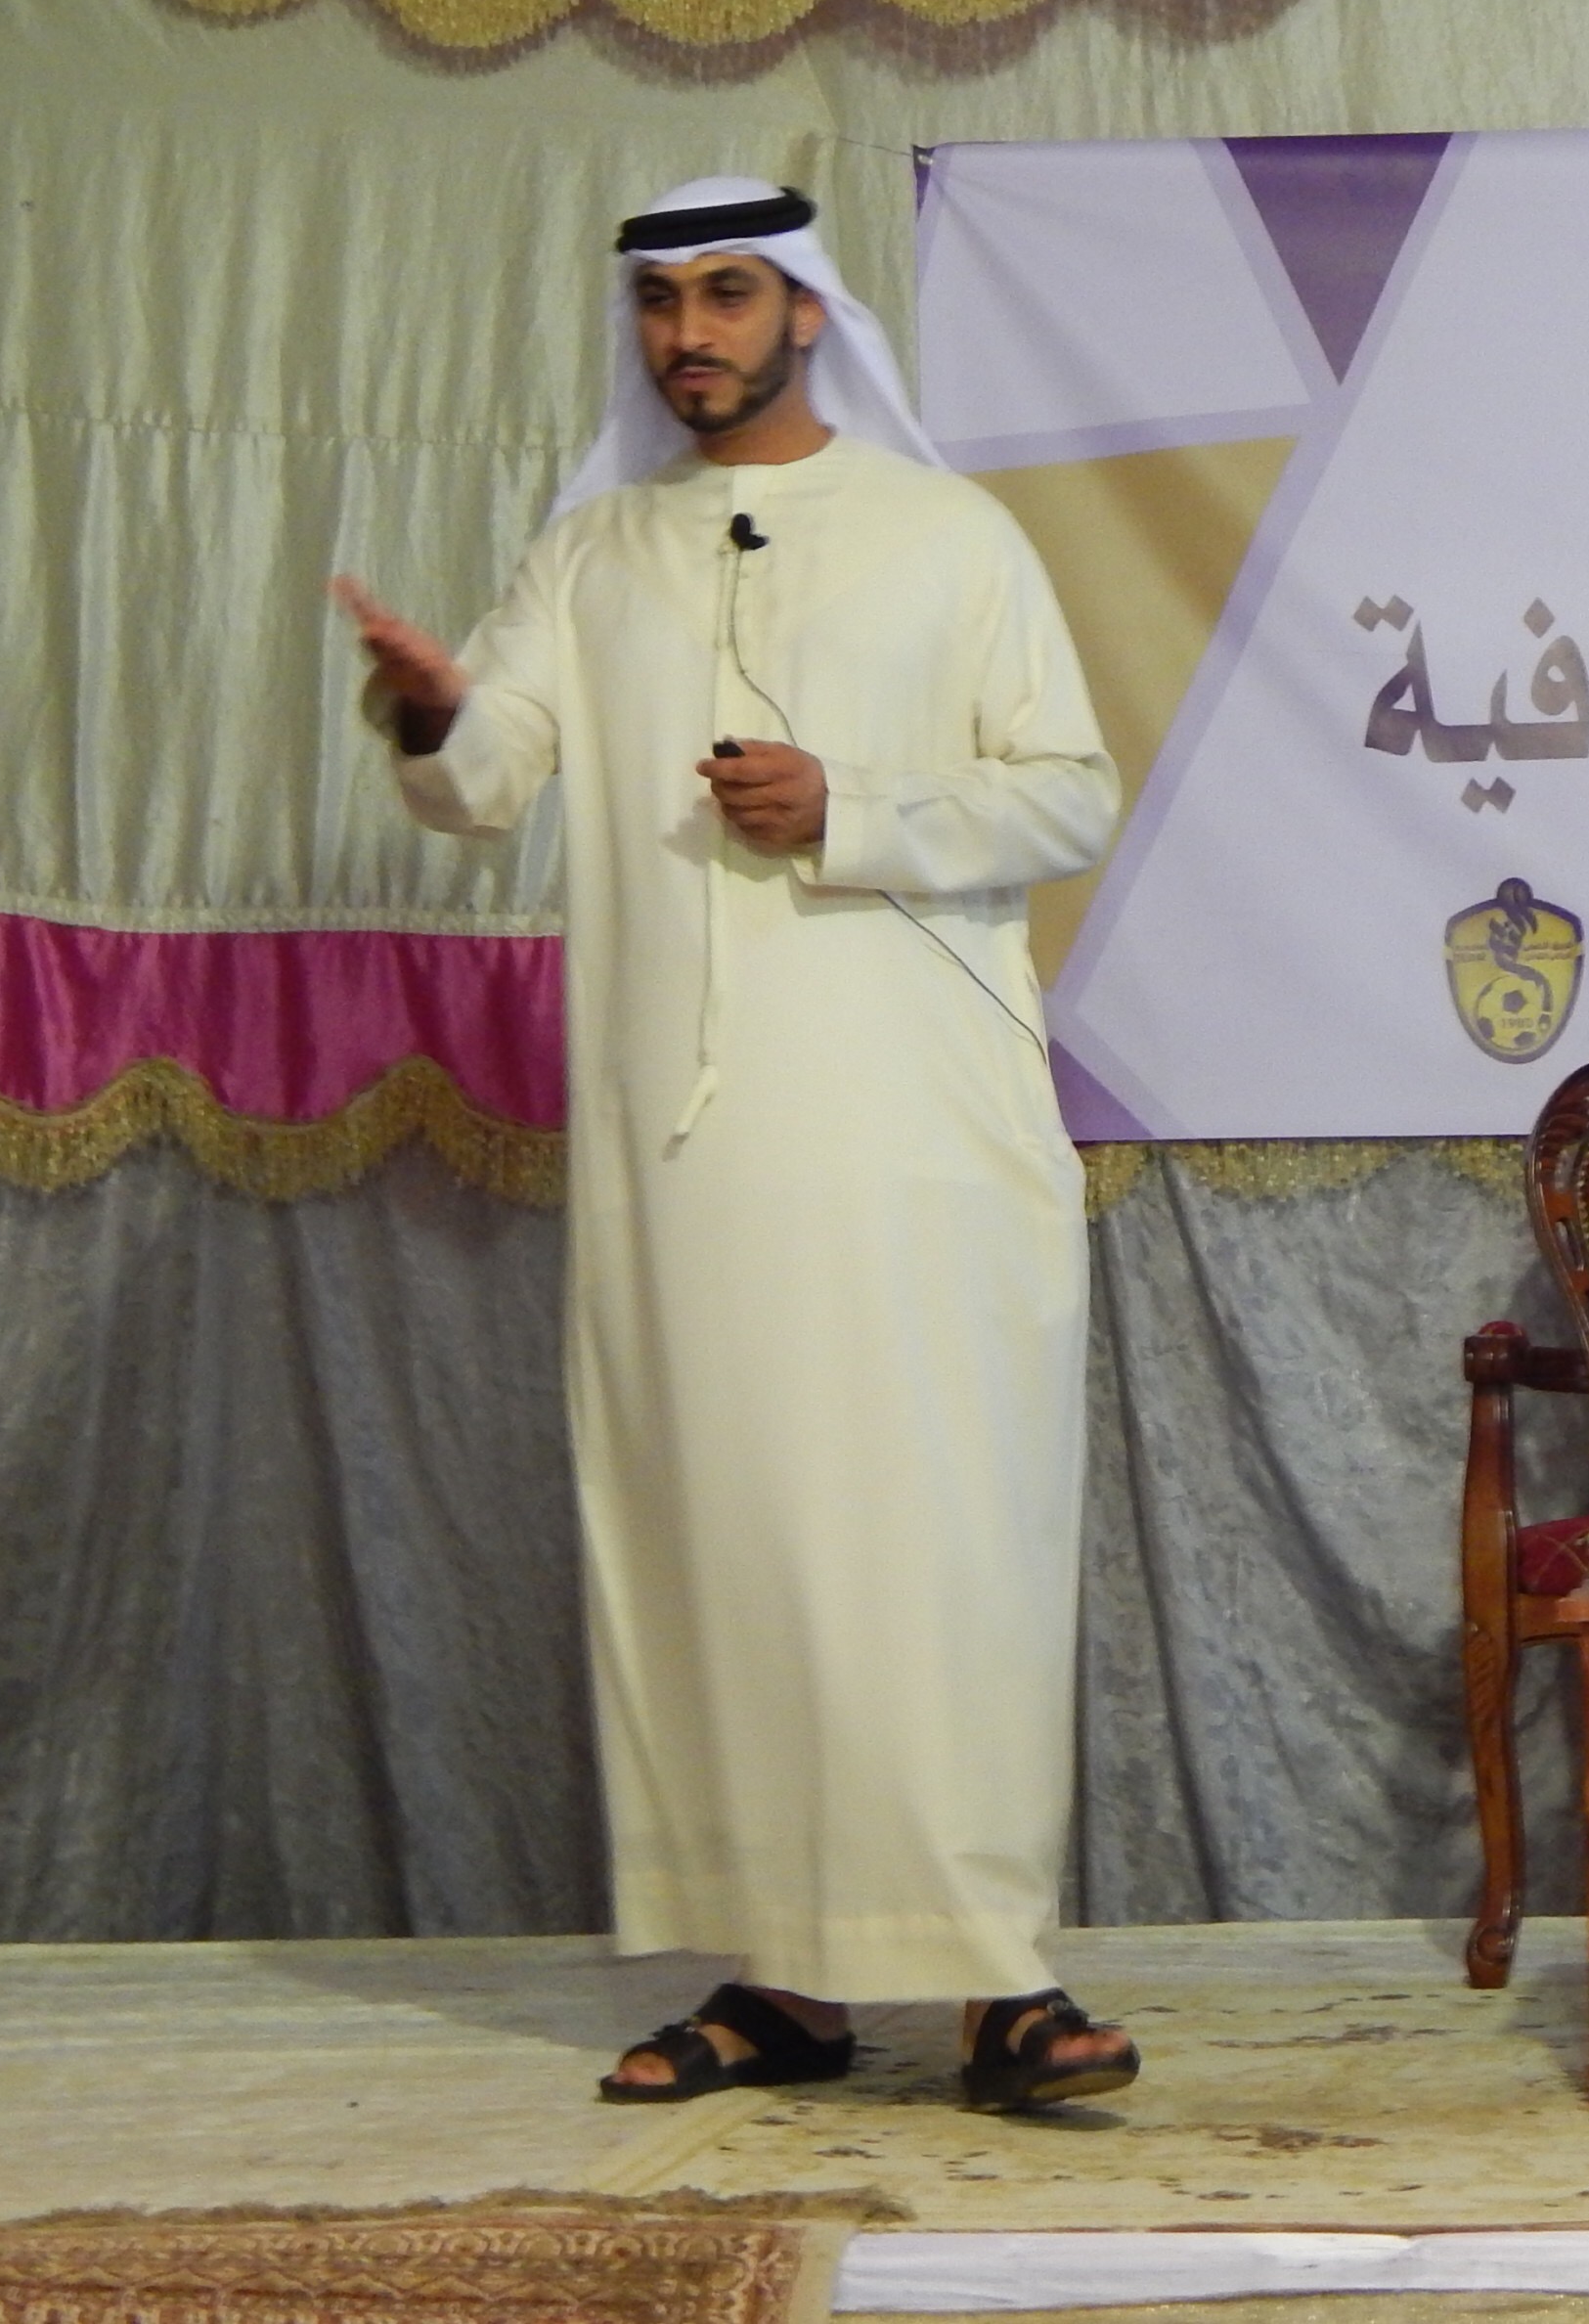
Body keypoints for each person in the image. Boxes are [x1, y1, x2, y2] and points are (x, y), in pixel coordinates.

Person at [332, 176, 1133, 2111]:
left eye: (725, 294)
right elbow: (484, 778)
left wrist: (850, 806)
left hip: (919, 1135)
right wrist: (430, 708)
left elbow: (1068, 793)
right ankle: (780, 1982)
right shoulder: (592, 555)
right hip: (688, 1161)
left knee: (939, 1544)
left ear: (806, 313)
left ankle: (998, 1983)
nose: (686, 332)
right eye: (659, 303)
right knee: (726, 1546)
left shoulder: (949, 537)